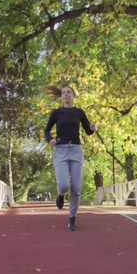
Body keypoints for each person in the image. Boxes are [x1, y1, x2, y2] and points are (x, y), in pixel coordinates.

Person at [43, 85, 98, 231]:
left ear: (73, 95)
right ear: (61, 96)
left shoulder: (79, 112)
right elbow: (47, 130)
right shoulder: (56, 112)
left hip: (76, 150)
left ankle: (72, 218)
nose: (66, 95)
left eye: (69, 92)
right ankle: (61, 195)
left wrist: (92, 128)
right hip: (60, 151)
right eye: (64, 93)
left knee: (76, 188)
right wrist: (50, 140)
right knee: (64, 186)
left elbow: (87, 130)